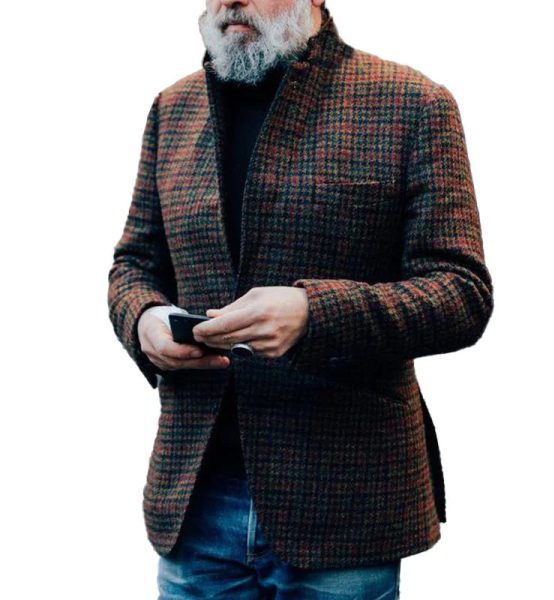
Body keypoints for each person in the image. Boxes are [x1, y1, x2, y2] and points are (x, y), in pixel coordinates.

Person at [107, 0, 494, 597]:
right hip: (195, 501)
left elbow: (461, 291)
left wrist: (316, 314)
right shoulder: (172, 109)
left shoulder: (412, 103)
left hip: (345, 505)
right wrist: (145, 320)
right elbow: (133, 265)